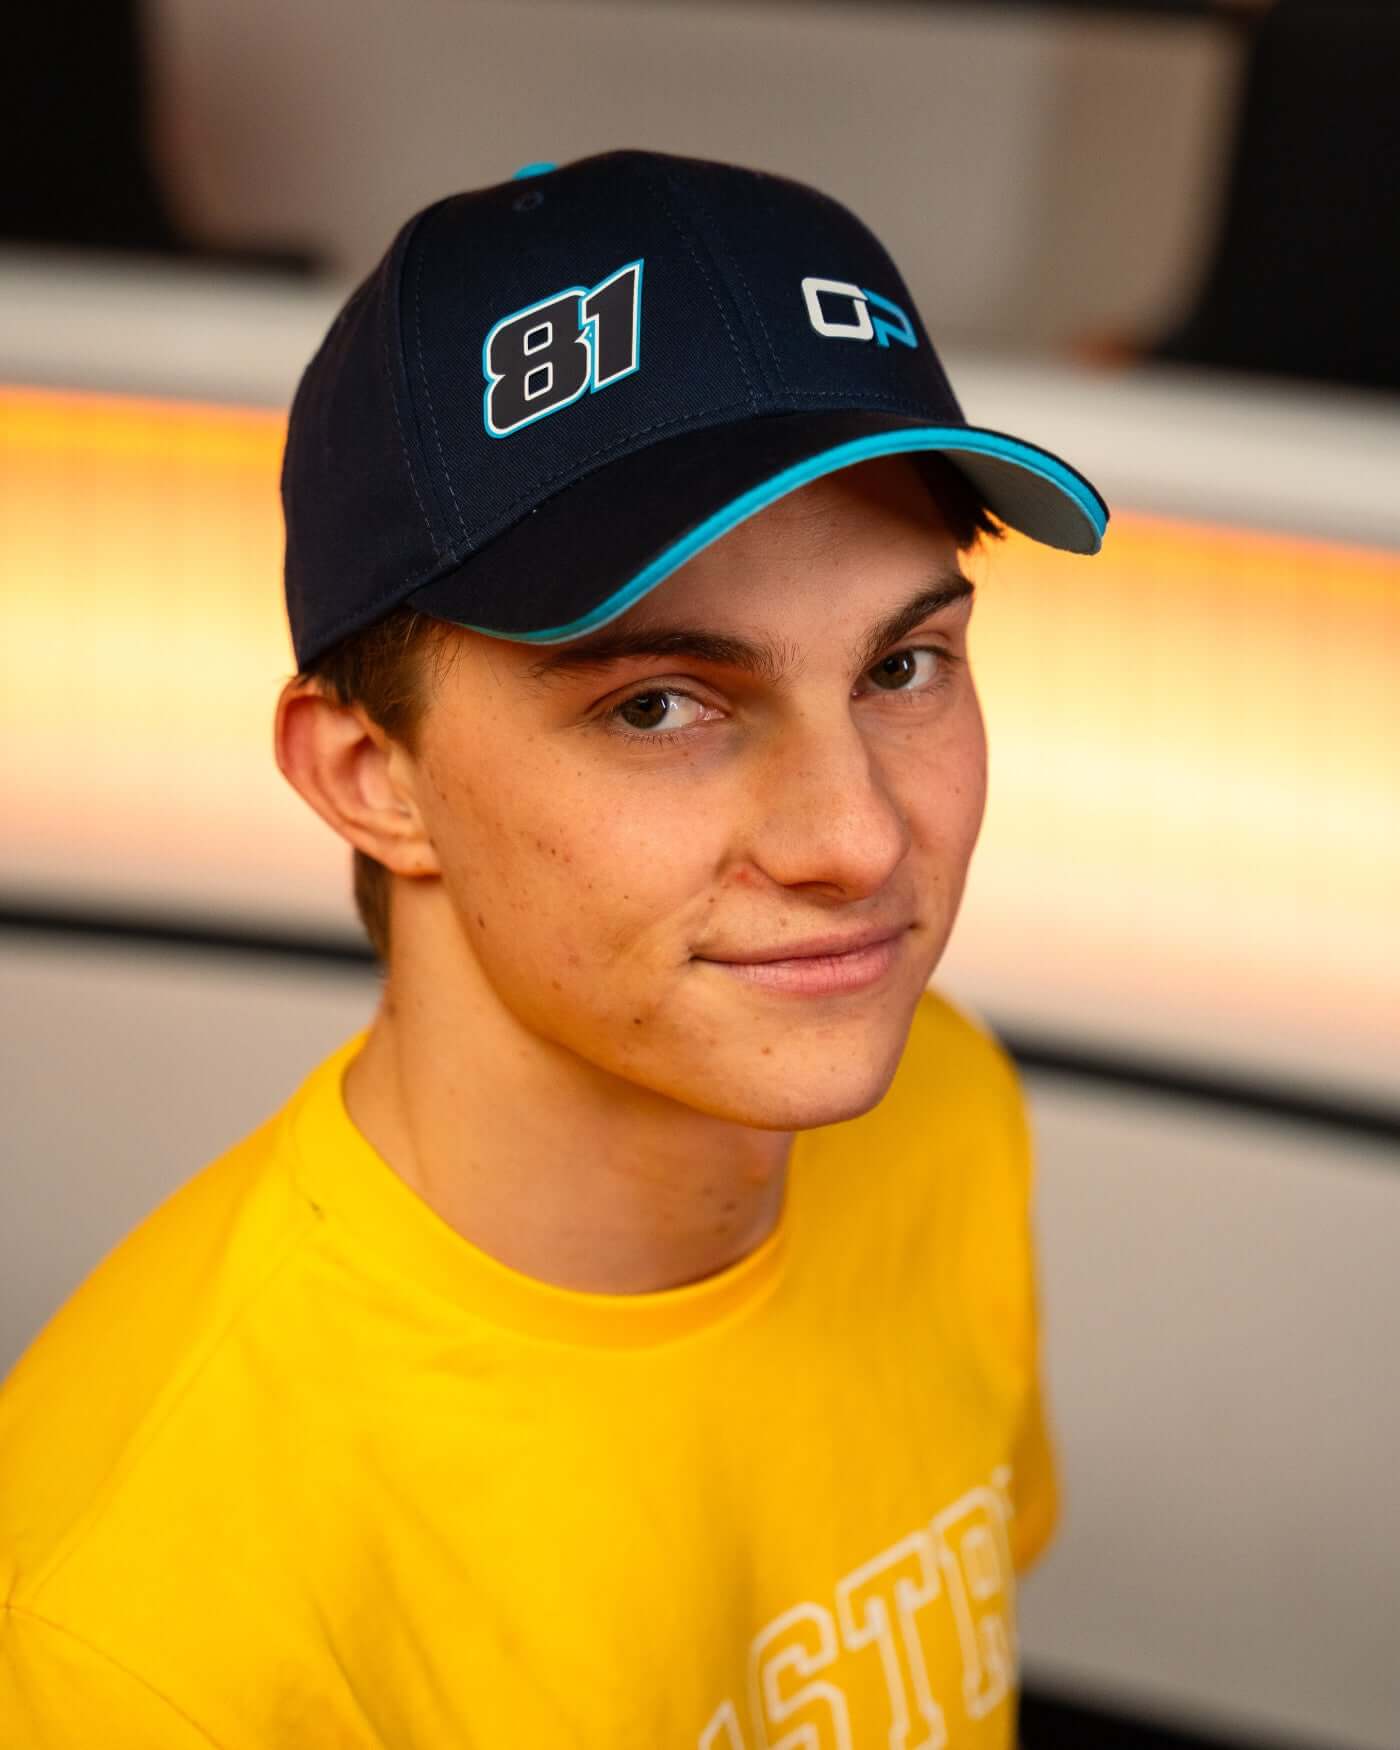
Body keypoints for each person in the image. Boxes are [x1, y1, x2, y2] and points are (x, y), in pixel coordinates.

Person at [0, 149, 1107, 1746]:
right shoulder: (129, 1626)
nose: (859, 839)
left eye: (905, 665)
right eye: (659, 704)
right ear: (373, 775)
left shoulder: (947, 1107)